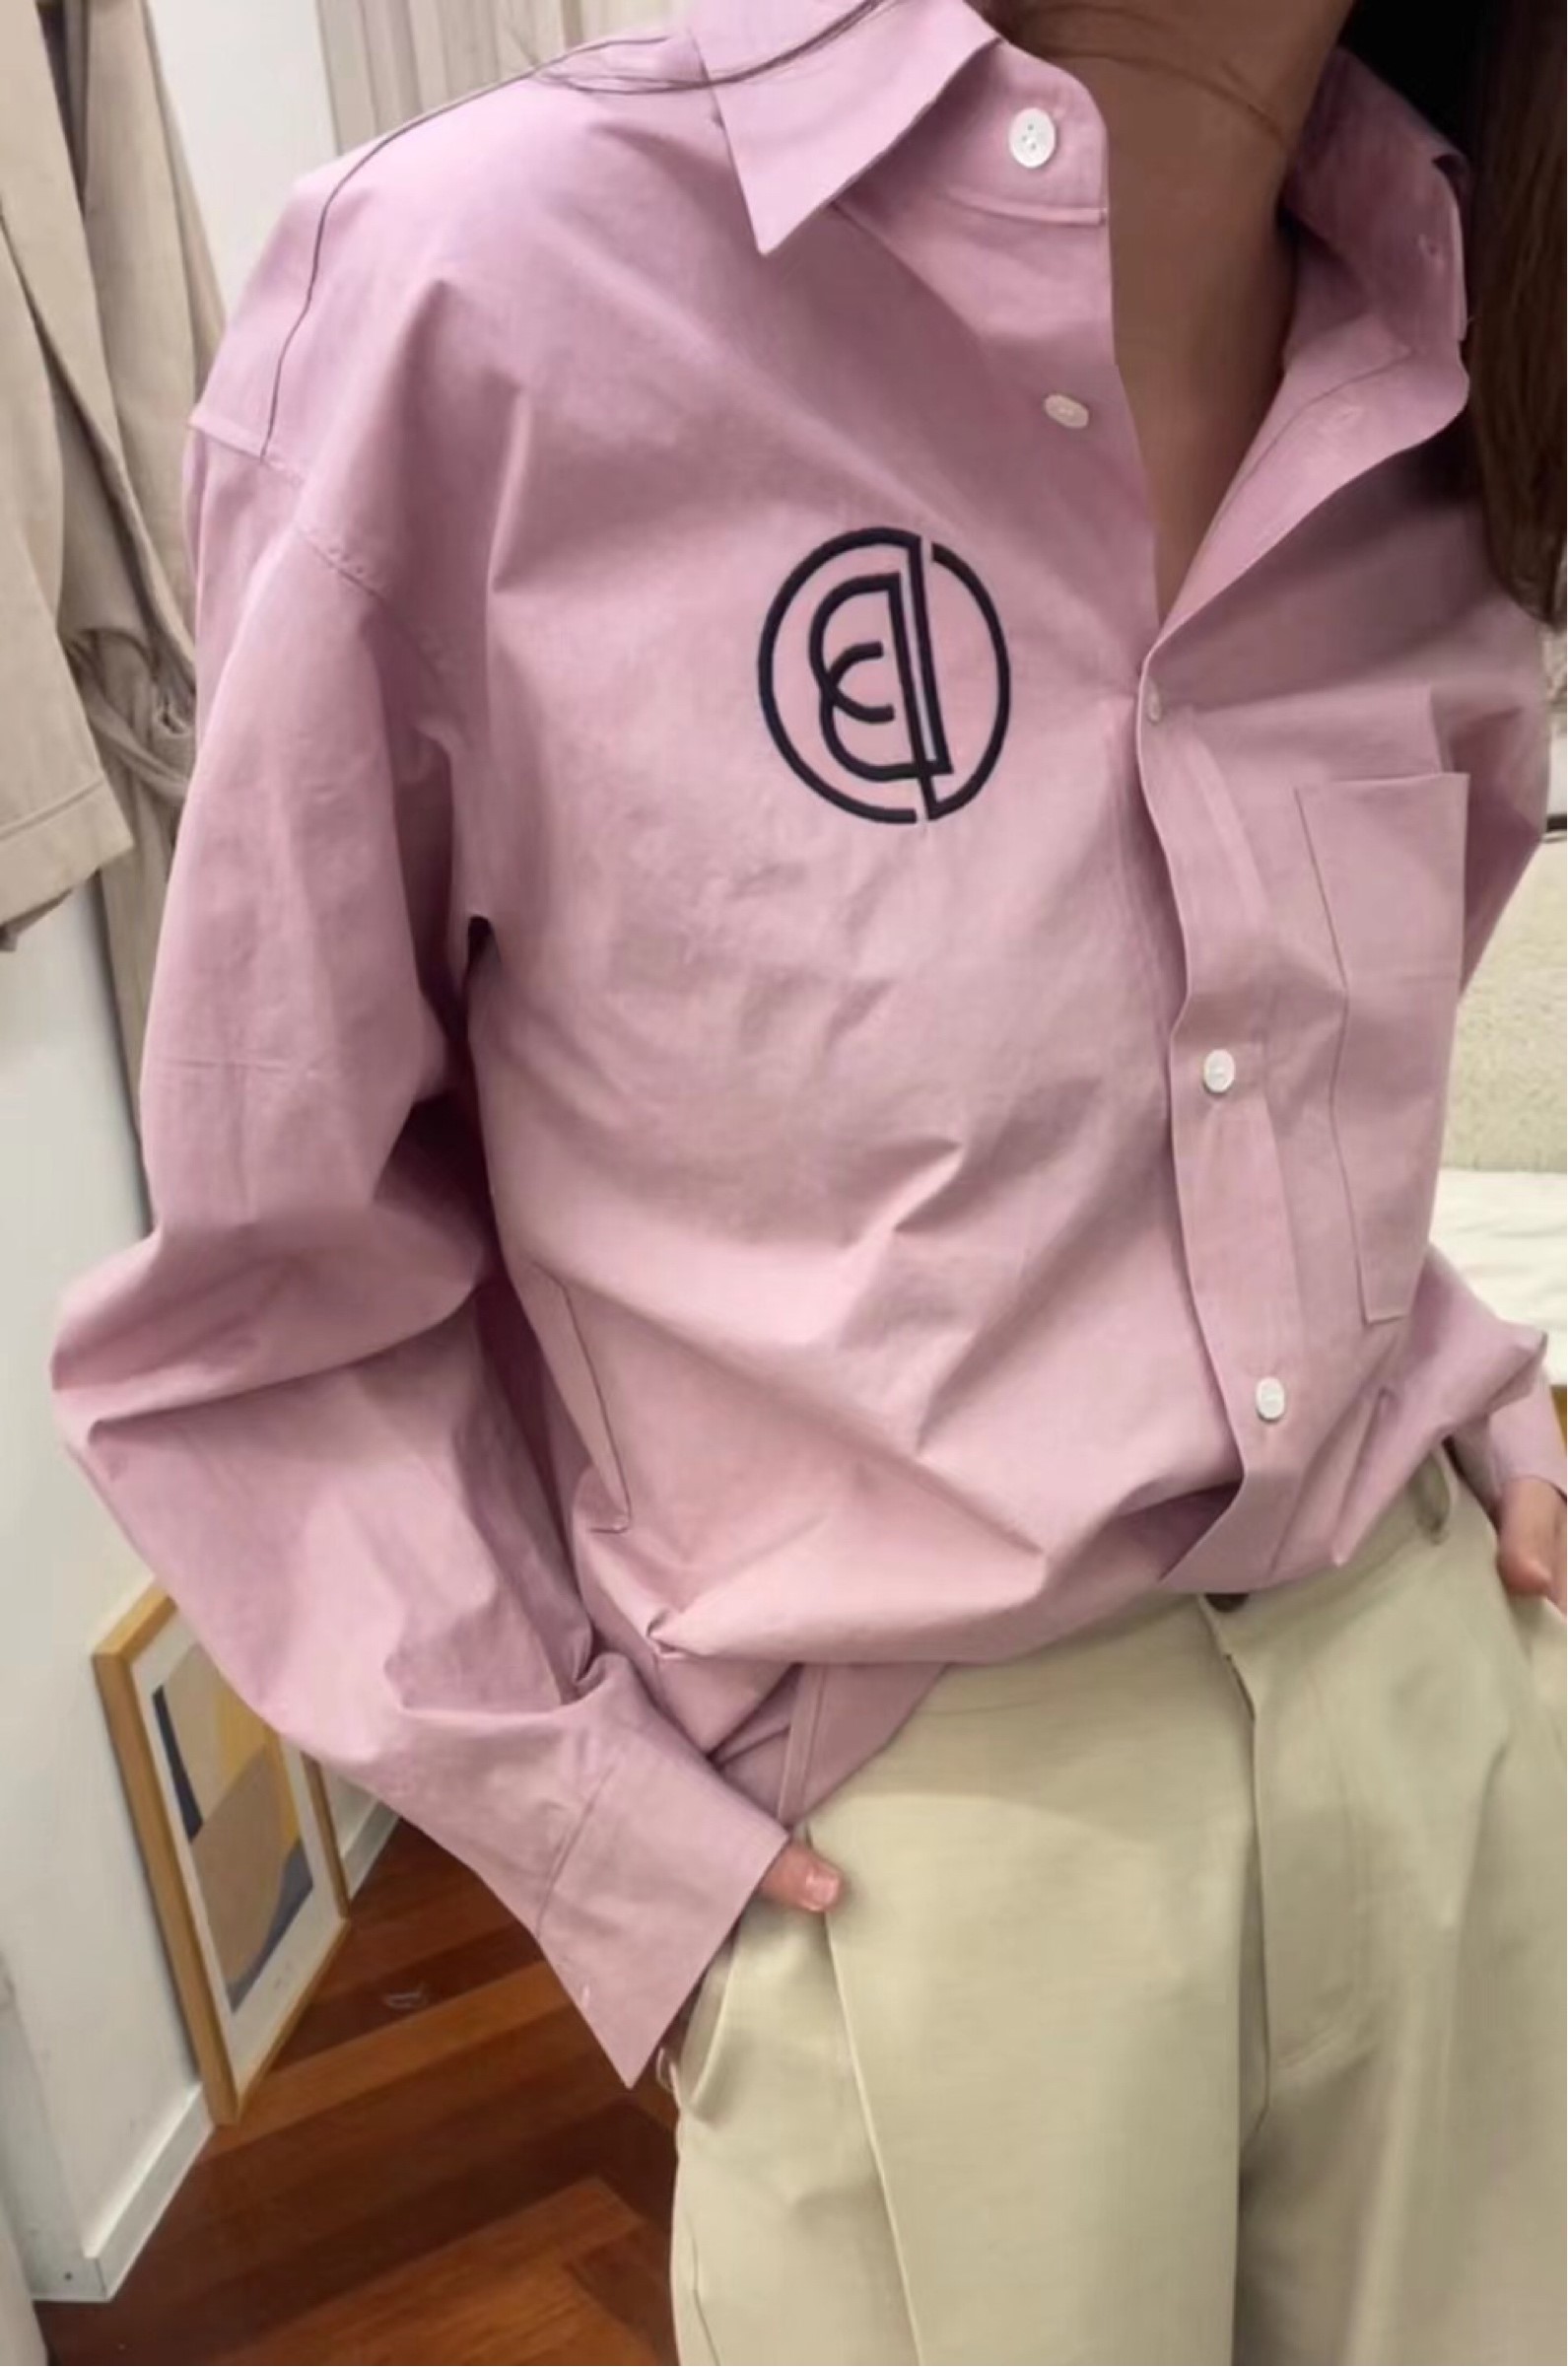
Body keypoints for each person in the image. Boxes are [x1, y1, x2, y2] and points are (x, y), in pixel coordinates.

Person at [52, 0, 1566, 2356]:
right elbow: (266, 1305)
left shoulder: (1474, 323)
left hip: (1440, 1707)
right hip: (912, 1855)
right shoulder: (478, 300)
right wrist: (610, 1837)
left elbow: (1274, 1085)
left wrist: (1463, 1385)